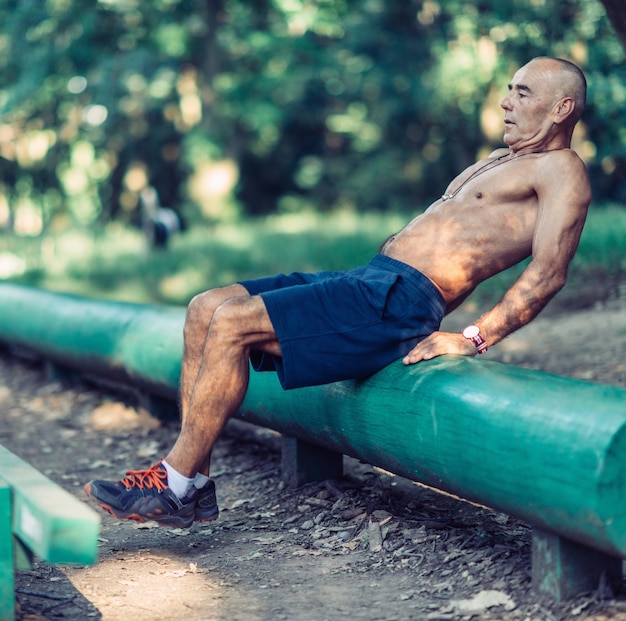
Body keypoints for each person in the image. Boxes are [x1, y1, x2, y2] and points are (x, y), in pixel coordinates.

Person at [85, 57, 591, 529]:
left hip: (398, 303)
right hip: (368, 279)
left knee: (233, 323)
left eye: (522, 93)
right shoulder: (506, 159)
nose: (506, 102)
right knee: (205, 307)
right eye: (509, 91)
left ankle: (172, 483)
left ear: (561, 107)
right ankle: (191, 485)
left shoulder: (561, 170)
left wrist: (474, 337)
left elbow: (549, 272)